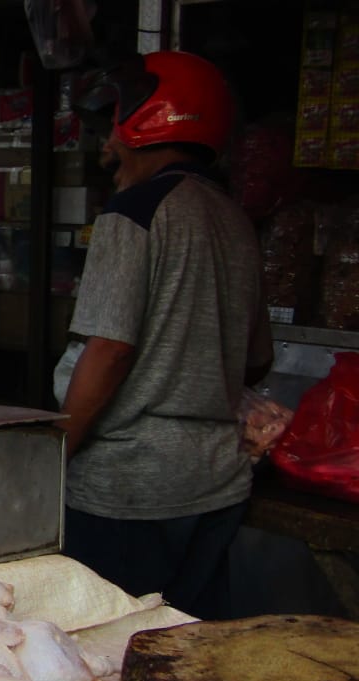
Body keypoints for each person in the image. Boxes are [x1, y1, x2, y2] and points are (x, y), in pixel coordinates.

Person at [54, 51, 273, 619]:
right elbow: (258, 357)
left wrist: (52, 456)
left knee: (110, 655)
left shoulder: (135, 213)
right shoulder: (236, 222)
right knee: (189, 651)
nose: (107, 150)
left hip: (130, 492)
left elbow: (110, 349)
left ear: (147, 123)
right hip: (216, 486)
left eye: (113, 130)